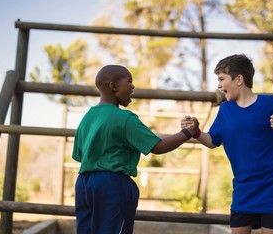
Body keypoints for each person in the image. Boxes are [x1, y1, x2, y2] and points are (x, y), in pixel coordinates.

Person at [182, 54, 273, 234]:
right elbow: (212, 141)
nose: (219, 85)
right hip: (243, 191)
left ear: (239, 79)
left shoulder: (270, 103)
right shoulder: (225, 110)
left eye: (221, 79)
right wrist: (195, 131)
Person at [72, 65, 199, 234]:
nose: (133, 86)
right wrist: (187, 132)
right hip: (112, 185)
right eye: (129, 82)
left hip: (83, 183)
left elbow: (80, 155)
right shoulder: (125, 119)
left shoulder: (88, 117)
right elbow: (158, 146)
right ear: (113, 86)